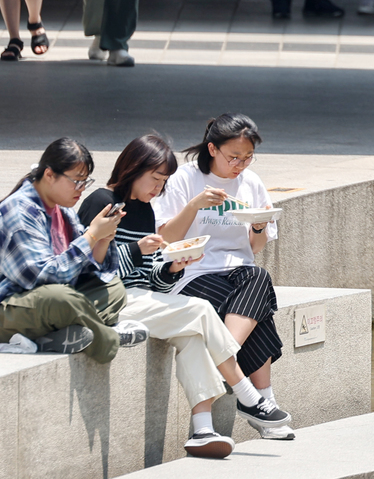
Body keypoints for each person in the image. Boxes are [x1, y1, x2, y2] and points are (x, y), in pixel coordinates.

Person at [78, 133, 293, 457]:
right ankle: (248, 395)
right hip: (106, 301)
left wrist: (172, 269)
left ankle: (203, 429)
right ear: (133, 168)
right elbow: (85, 269)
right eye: (154, 179)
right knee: (201, 310)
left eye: (163, 182)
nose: (158, 189)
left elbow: (151, 280)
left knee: (194, 335)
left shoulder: (145, 212)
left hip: (139, 299)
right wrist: (136, 250)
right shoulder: (102, 201)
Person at [155, 114, 297, 441]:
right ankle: (262, 405)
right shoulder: (184, 179)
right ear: (212, 149)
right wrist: (195, 205)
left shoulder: (251, 183)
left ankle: (232, 366)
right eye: (234, 157)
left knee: (258, 277)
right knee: (259, 311)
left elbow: (254, 247)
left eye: (247, 157)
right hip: (192, 273)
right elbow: (167, 239)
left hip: (238, 272)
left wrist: (259, 226)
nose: (240, 165)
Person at [0, 139, 149, 365]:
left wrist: (102, 240)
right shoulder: (19, 212)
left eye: (85, 182)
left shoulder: (62, 210)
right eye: (76, 181)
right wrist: (91, 235)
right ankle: (108, 338)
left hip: (37, 304)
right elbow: (44, 278)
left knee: (113, 289)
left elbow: (84, 272)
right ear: (49, 175)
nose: (81, 189)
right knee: (61, 299)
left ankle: (53, 338)